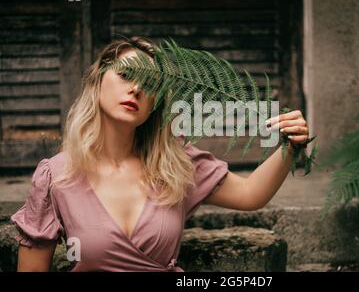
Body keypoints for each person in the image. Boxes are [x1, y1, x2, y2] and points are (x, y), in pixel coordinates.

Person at [10, 36, 309, 272]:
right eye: (126, 74)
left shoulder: (174, 164)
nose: (137, 88)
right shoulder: (56, 175)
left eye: (151, 83)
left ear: (157, 104)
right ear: (97, 81)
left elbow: (249, 194)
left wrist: (291, 145)